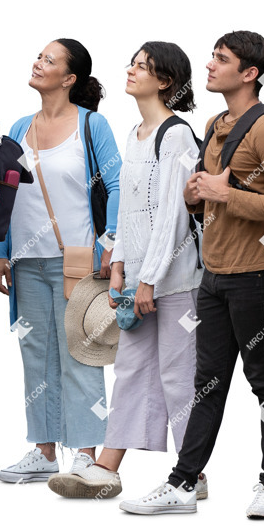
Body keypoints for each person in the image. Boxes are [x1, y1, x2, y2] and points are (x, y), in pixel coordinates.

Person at [120, 31, 264, 517]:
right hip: (213, 276)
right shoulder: (216, 123)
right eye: (212, 57)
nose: (211, 65)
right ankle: (182, 482)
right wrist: (195, 195)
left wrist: (225, 194)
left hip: (257, 275)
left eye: (222, 59)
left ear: (249, 73)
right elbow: (200, 198)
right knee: (207, 384)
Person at [46, 41, 205, 499]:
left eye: (142, 67)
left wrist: (149, 278)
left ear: (166, 81)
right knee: (133, 371)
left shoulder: (175, 135)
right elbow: (132, 212)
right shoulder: (136, 132)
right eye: (132, 64)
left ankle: (190, 471)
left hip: (173, 281)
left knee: (178, 376)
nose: (131, 71)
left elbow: (173, 218)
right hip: (137, 281)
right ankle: (106, 468)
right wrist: (118, 268)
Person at [0, 39, 121, 482]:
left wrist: (110, 242)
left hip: (77, 259)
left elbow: (117, 184)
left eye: (49, 59)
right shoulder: (19, 126)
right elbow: (7, 192)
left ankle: (84, 452)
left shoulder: (92, 125)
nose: (37, 61)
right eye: (38, 55)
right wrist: (0, 252)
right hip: (26, 260)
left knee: (82, 353)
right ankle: (44, 451)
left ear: (70, 79)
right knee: (35, 354)